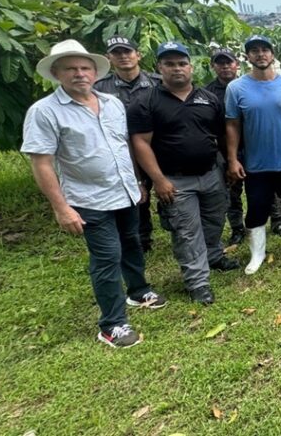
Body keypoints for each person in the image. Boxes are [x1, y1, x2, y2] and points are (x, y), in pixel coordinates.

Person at [22, 40, 166, 348]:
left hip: (124, 191)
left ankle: (139, 290)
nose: (79, 74)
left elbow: (123, 148)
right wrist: (61, 208)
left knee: (133, 243)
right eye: (70, 69)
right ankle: (112, 324)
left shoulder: (112, 103)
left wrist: (138, 182)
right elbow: (42, 163)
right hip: (88, 199)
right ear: (57, 73)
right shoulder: (45, 112)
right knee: (106, 258)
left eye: (84, 68)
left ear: (94, 71)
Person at [128, 41, 241, 306]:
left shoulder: (207, 98)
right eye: (170, 64)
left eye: (182, 63)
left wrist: (229, 164)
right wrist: (158, 180)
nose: (177, 69)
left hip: (211, 172)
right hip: (175, 179)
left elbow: (222, 134)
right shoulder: (146, 101)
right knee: (187, 232)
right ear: (159, 68)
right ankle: (198, 282)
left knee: (214, 221)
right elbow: (140, 143)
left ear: (191, 67)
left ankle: (213, 255)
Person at [225, 34, 281, 275]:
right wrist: (233, 159)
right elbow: (232, 125)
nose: (260, 54)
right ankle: (257, 253)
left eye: (265, 49)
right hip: (256, 164)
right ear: (248, 56)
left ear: (272, 54)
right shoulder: (236, 88)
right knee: (256, 208)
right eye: (254, 50)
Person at [93, 36, 162, 252]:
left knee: (169, 191)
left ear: (138, 54)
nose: (123, 57)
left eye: (128, 52)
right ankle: (142, 240)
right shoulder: (99, 88)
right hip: (121, 152)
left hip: (158, 148)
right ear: (109, 58)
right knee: (135, 198)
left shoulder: (157, 83)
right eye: (117, 53)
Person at [204, 48, 246, 247]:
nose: (225, 66)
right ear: (214, 66)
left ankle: (276, 221)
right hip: (226, 150)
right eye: (220, 63)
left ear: (236, 64)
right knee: (232, 191)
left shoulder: (248, 86)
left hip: (253, 146)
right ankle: (238, 228)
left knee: (263, 186)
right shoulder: (207, 93)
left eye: (229, 62)